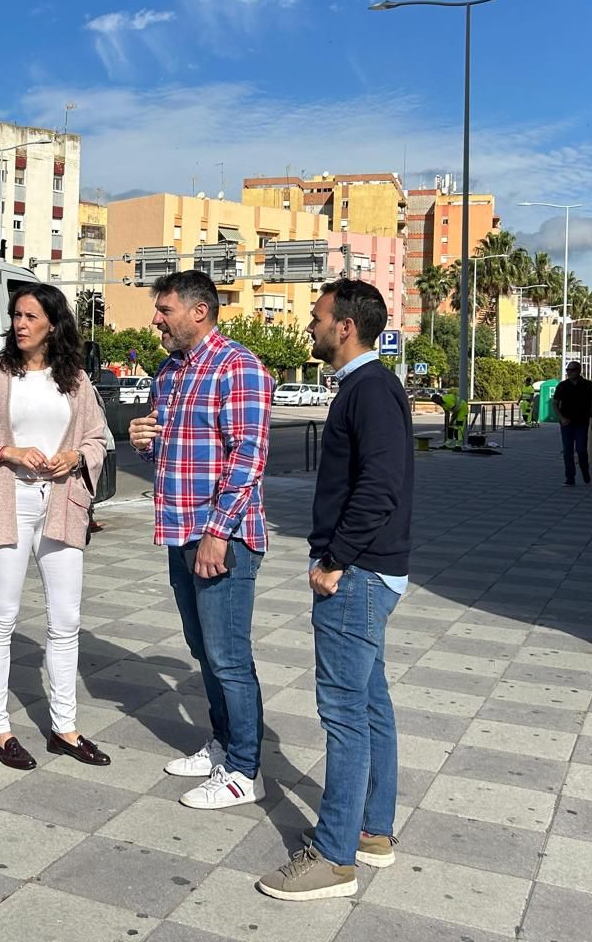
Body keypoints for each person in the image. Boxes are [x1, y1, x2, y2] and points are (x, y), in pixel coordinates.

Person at [257, 279, 413, 902]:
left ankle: (334, 856)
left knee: (345, 714)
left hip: (357, 574)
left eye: (318, 316)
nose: (311, 326)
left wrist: (335, 560)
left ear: (345, 326)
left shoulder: (370, 389)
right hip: (369, 571)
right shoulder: (366, 387)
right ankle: (371, 831)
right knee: (370, 704)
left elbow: (380, 486)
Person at [0, 283, 112, 771]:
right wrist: (6, 451)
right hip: (7, 502)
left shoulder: (75, 381)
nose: (20, 324)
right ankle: (0, 729)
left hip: (62, 503)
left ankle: (65, 728)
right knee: (2, 617)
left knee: (66, 620)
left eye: (31, 316)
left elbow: (98, 437)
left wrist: (75, 456)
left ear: (53, 325)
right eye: (16, 315)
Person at [128, 270, 272, 810]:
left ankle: (245, 770)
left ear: (199, 311)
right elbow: (169, 452)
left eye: (164, 309)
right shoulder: (169, 372)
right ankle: (223, 744)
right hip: (180, 531)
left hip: (222, 536)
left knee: (229, 656)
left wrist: (218, 532)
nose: (156, 320)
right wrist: (143, 440)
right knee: (203, 650)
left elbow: (248, 457)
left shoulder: (239, 366)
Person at [552, 361, 592, 486]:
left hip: (582, 422)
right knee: (567, 451)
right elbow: (555, 404)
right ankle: (570, 477)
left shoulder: (588, 385)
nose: (569, 372)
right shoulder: (562, 386)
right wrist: (561, 418)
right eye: (567, 370)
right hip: (566, 423)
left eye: (572, 370)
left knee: (581, 450)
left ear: (579, 371)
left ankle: (585, 470)